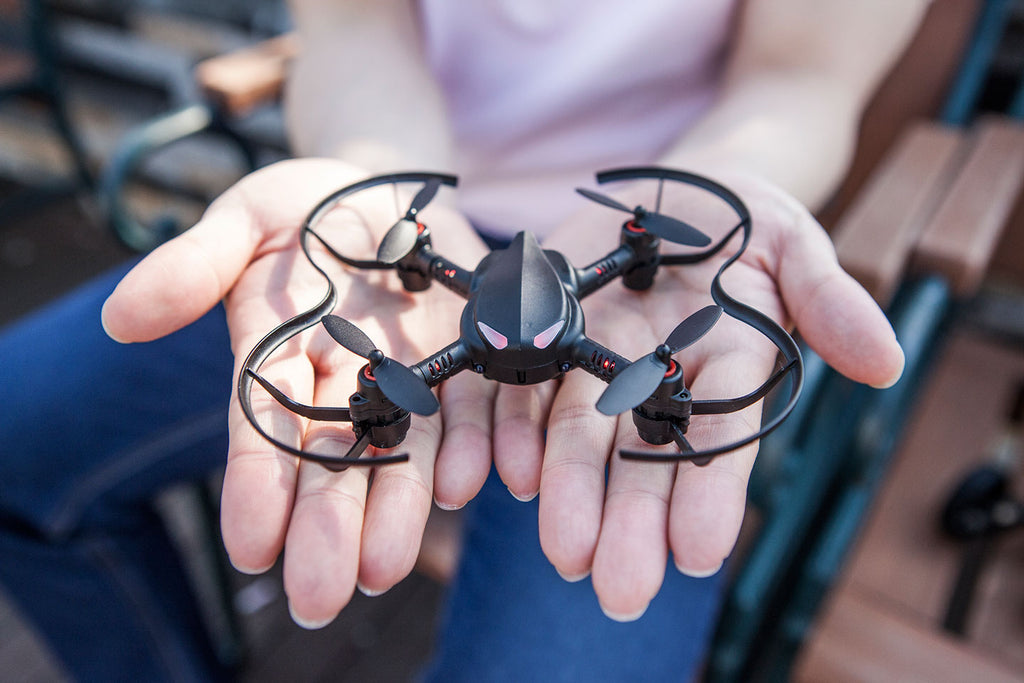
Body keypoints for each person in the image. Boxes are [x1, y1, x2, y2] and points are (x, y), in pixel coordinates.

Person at [0, 0, 923, 680]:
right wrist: (369, 176)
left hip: (652, 246)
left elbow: (800, 76)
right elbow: (353, 26)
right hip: (393, 221)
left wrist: (724, 190)